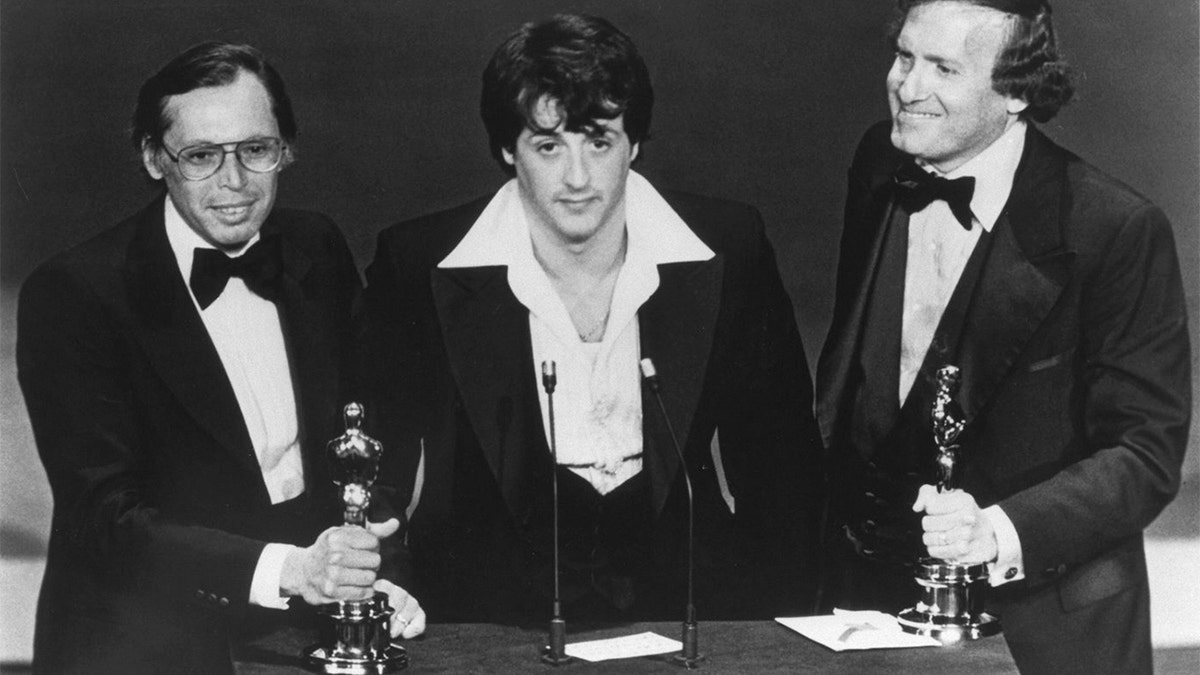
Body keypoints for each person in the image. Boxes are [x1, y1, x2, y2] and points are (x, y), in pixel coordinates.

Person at [362, 13, 824, 624]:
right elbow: (372, 468)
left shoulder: (726, 248)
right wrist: (386, 590)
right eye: (548, 144)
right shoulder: (420, 264)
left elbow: (781, 464)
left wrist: (780, 634)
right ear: (507, 148)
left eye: (599, 141)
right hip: (485, 616)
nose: (577, 178)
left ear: (634, 144)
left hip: (690, 607)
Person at [17, 42, 424, 674]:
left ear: (286, 149)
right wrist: (291, 570)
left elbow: (368, 435)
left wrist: (373, 570)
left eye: (256, 150)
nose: (233, 183)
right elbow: (105, 514)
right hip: (140, 642)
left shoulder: (317, 245)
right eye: (202, 156)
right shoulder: (74, 293)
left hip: (300, 631)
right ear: (155, 160)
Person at [815, 1, 1191, 673]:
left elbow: (1146, 453)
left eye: (943, 68)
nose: (908, 85)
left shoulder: (1114, 228)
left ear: (1017, 91)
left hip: (1043, 631)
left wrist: (997, 529)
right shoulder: (880, 161)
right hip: (868, 611)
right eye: (904, 57)